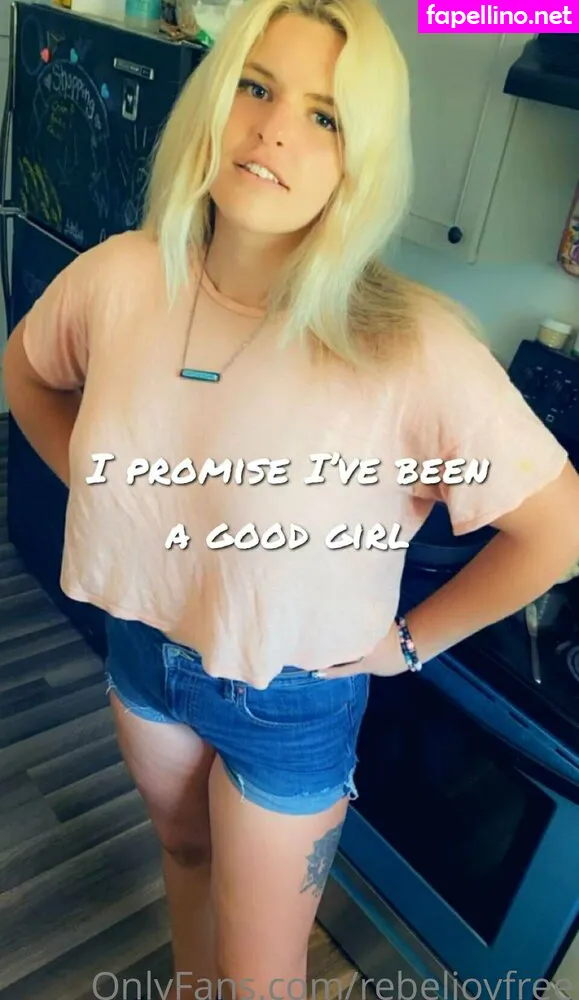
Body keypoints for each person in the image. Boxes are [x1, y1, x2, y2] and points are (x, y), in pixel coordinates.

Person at [4, 0, 579, 994]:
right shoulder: (119, 277)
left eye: (324, 115)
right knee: (184, 862)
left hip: (291, 700)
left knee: (264, 975)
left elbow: (557, 526)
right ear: (214, 100)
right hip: (145, 651)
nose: (274, 129)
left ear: (363, 161)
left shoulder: (410, 344)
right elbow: (26, 376)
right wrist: (111, 497)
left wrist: (408, 644)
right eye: (256, 87)